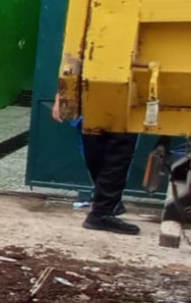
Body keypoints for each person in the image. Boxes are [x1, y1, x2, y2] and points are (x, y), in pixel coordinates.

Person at [52, 94, 139, 235]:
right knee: (103, 158)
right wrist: (60, 97)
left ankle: (105, 208)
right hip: (92, 103)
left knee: (116, 157)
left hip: (123, 105)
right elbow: (74, 71)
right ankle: (104, 209)